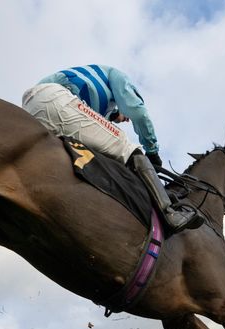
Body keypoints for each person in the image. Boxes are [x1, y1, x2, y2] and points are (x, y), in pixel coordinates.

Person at [22, 65, 202, 232]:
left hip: (32, 107)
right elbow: (137, 112)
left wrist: (112, 115)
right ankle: (170, 213)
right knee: (127, 147)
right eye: (123, 116)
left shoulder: (95, 106)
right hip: (54, 99)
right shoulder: (116, 76)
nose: (126, 120)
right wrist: (152, 152)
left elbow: (89, 121)